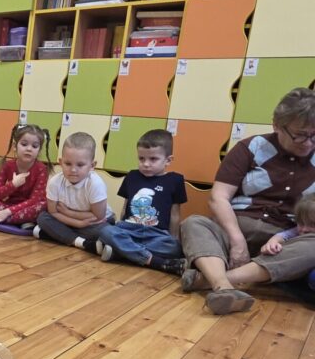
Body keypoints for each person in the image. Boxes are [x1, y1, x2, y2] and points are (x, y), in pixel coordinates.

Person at [180, 87, 315, 314]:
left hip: (284, 240)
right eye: (300, 135)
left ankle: (211, 280)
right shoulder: (250, 147)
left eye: (314, 135)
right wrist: (237, 240)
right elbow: (218, 197)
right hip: (235, 226)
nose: (308, 143)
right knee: (193, 223)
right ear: (277, 125)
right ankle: (222, 287)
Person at [95, 128, 186, 274]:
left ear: (168, 160)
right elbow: (125, 207)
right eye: (141, 158)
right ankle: (153, 261)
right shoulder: (132, 176)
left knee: (174, 247)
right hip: (129, 229)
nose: (146, 164)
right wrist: (120, 227)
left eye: (153, 159)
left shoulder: (175, 180)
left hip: (156, 234)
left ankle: (121, 253)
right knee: (105, 230)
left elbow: (175, 214)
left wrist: (172, 237)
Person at [34, 131, 113, 248]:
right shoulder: (55, 182)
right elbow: (53, 212)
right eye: (68, 164)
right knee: (43, 218)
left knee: (106, 231)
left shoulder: (95, 184)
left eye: (80, 165)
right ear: (60, 162)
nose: (73, 170)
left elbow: (98, 217)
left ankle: (57, 235)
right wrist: (78, 224)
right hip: (70, 221)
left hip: (94, 223)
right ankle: (82, 242)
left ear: (92, 166)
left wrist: (68, 212)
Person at [0, 123, 51, 228]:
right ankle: (21, 221)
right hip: (9, 205)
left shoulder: (42, 170)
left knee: (43, 206)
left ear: (39, 150)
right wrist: (13, 185)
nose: (29, 149)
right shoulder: (7, 165)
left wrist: (7, 212)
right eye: (24, 144)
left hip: (27, 208)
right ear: (15, 146)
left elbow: (35, 200)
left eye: (34, 146)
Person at [259, 192, 315, 291]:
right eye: (301, 223)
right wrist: (272, 243)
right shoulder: (297, 231)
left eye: (313, 224)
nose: (305, 229)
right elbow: (282, 236)